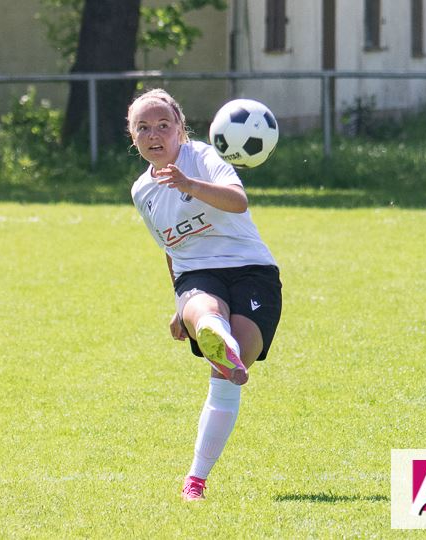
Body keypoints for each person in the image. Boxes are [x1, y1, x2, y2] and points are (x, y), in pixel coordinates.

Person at [128, 89, 283, 501]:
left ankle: (224, 343)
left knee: (230, 372)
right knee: (205, 310)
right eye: (143, 127)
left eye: (163, 125)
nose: (154, 134)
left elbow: (238, 201)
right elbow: (170, 249)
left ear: (180, 129)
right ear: (133, 138)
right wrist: (178, 309)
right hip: (197, 273)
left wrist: (189, 183)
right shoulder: (141, 191)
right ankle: (211, 328)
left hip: (251, 269)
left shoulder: (202, 158)